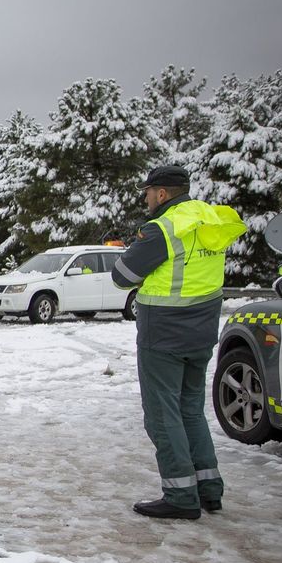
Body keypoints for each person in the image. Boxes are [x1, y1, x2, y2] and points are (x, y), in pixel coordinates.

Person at [111, 165, 247, 520]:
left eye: (148, 192)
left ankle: (180, 494)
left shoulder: (163, 228)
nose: (145, 198)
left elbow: (122, 277)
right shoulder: (207, 221)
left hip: (164, 336)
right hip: (201, 334)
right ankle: (209, 489)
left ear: (162, 193)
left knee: (161, 416)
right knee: (190, 411)